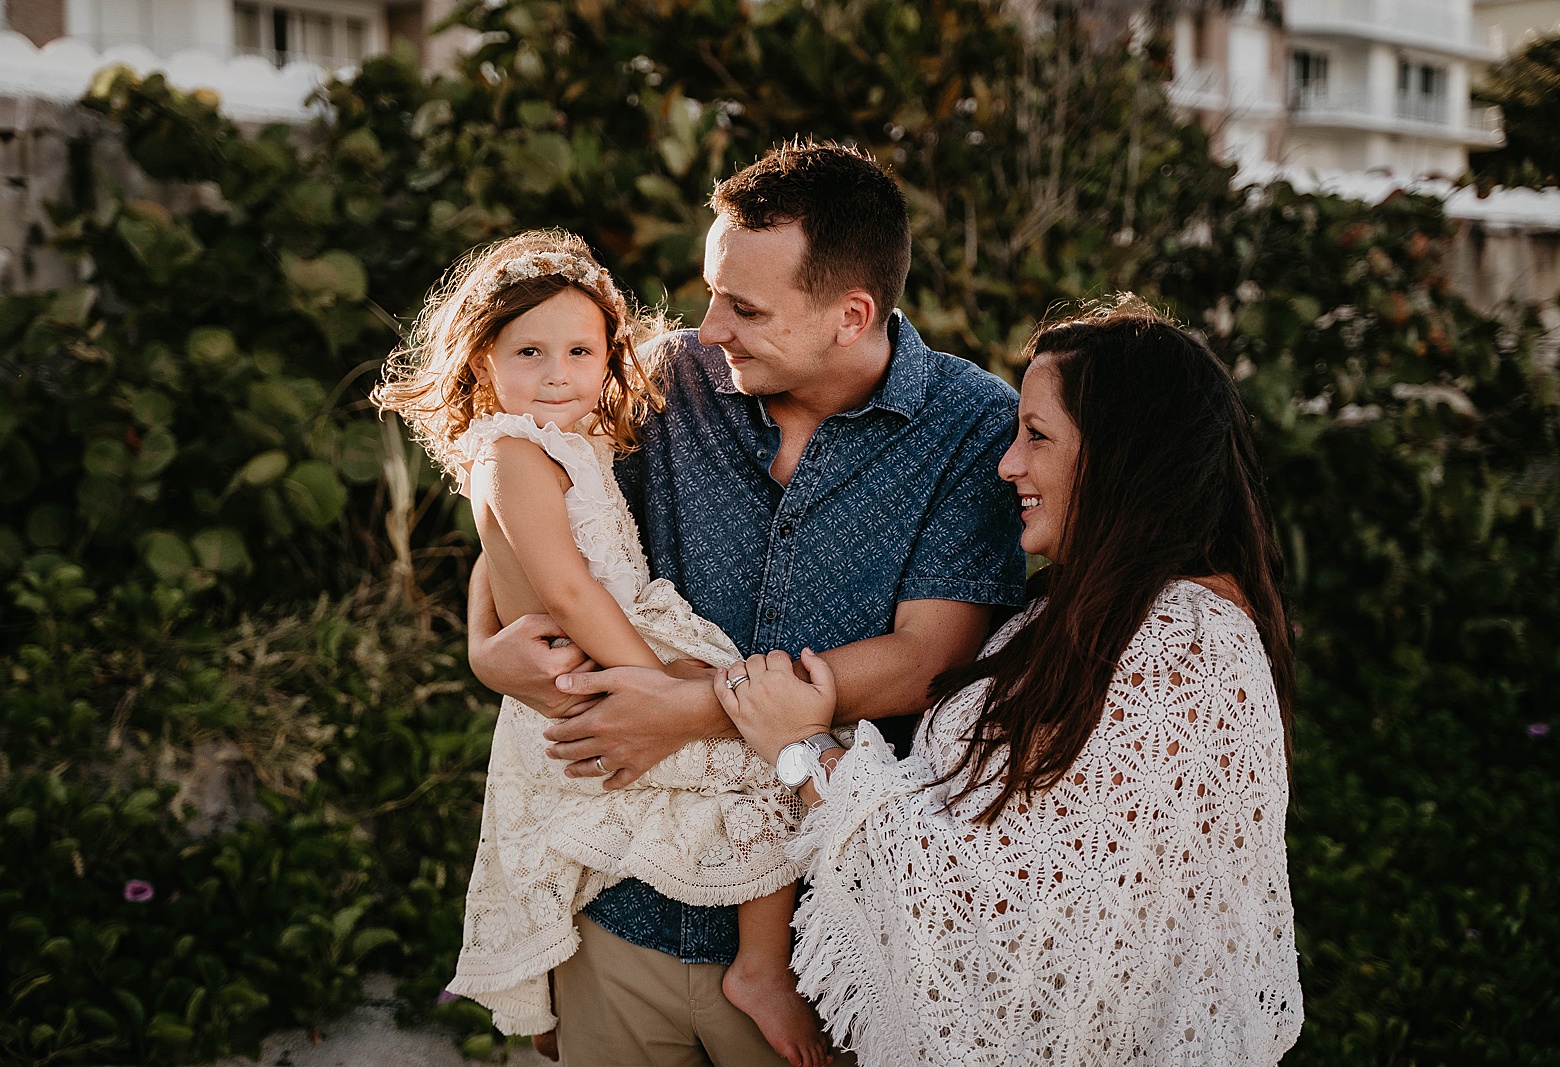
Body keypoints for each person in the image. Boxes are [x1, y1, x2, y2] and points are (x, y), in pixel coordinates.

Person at [465, 141, 1026, 1066]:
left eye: (746, 307)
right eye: (712, 290)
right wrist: (485, 647)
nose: (709, 326)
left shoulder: (971, 425)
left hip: (814, 948)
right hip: (624, 902)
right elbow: (534, 513)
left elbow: (927, 659)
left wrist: (686, 707)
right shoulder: (664, 378)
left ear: (851, 314)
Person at [717, 299, 1306, 1066]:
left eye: (1037, 436)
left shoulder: (1182, 650)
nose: (1008, 465)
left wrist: (803, 752)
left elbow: (991, 913)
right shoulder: (1104, 614)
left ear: (1121, 456)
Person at [371, 229, 836, 1067]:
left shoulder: (561, 441)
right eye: (530, 352)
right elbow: (570, 589)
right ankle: (759, 971)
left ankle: (744, 967)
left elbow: (496, 563)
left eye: (580, 351)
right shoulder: (513, 451)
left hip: (610, 635)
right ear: (483, 365)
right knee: (758, 760)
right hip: (598, 653)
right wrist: (651, 681)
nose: (558, 373)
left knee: (751, 751)